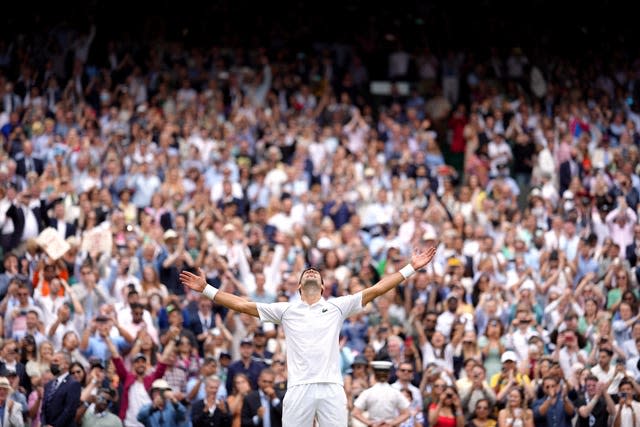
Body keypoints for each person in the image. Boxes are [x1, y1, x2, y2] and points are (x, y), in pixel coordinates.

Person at [181, 246, 437, 426]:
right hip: (298, 388)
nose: (312, 272)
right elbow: (244, 305)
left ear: (324, 286)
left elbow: (377, 289)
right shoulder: (286, 309)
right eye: (307, 273)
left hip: (331, 388)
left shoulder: (338, 306)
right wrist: (207, 290)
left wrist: (410, 268)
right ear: (300, 286)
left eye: (316, 273)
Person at [352, 360, 410, 427]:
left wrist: (371, 423)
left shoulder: (368, 392)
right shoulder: (395, 392)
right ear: (388, 375)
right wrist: (391, 424)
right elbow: (407, 413)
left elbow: (355, 413)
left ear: (375, 375)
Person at [41, 350, 82, 427]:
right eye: (52, 361)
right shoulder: (48, 385)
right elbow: (44, 408)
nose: (52, 364)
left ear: (66, 364)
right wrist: (44, 424)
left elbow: (69, 410)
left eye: (56, 361)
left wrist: (55, 426)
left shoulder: (73, 384)